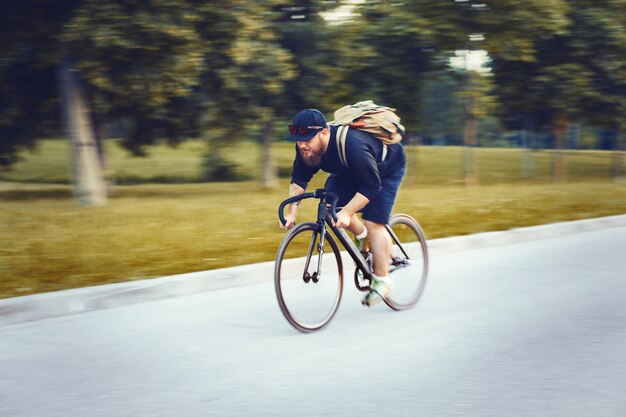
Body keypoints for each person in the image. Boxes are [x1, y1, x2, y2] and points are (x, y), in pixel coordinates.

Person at [280, 108, 407, 307]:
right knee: (329, 208)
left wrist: (348, 212)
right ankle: (364, 237)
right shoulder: (305, 147)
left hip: (385, 169)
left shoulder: (352, 145)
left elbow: (371, 187)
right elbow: (299, 179)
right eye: (297, 140)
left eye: (307, 140)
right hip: (348, 171)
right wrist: (291, 212)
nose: (302, 145)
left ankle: (382, 280)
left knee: (373, 221)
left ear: (324, 133)